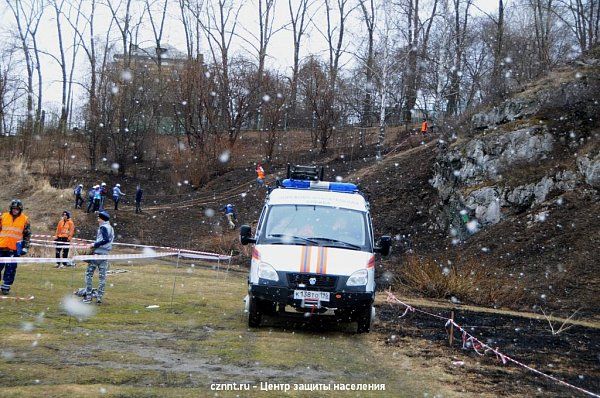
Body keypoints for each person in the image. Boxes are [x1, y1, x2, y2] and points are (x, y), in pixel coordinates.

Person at [0, 200, 31, 295]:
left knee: (11, 268)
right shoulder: (3, 217)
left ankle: (6, 286)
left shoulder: (25, 219)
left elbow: (27, 235)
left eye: (17, 209)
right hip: (1, 246)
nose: (15, 210)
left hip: (14, 249)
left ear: (20, 209)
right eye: (13, 209)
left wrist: (25, 247)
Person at [84, 211, 114, 304]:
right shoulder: (111, 228)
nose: (97, 219)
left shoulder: (103, 227)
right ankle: (99, 297)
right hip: (105, 255)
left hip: (97, 254)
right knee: (102, 277)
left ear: (102, 219)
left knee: (89, 275)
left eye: (98, 218)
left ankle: (88, 296)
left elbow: (105, 240)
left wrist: (94, 244)